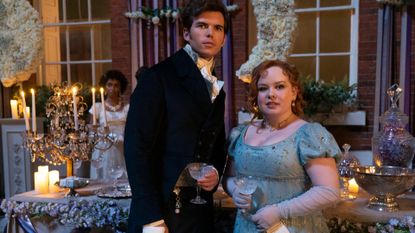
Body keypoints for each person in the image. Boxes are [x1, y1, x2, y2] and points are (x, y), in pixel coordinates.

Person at [124, 0, 229, 232]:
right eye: (202, 26)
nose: (210, 33)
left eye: (218, 28)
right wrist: (150, 217)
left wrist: (213, 171)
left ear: (223, 39)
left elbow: (216, 146)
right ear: (186, 33)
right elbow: (136, 148)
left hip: (198, 211)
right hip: (161, 210)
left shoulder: (217, 88)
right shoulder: (158, 77)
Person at [222, 60, 341, 233]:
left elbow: (328, 191)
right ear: (256, 95)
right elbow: (229, 178)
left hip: (291, 227)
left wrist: (278, 211)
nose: (271, 94)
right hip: (246, 226)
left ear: (294, 92)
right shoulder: (239, 133)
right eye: (263, 88)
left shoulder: (309, 134)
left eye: (279, 86)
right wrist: (235, 190)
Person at [89, 69, 129, 181]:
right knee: (102, 182)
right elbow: (92, 132)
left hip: (121, 148)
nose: (112, 88)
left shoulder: (127, 108)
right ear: (105, 87)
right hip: (103, 149)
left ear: (120, 87)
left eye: (116, 85)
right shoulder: (97, 108)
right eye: (109, 85)